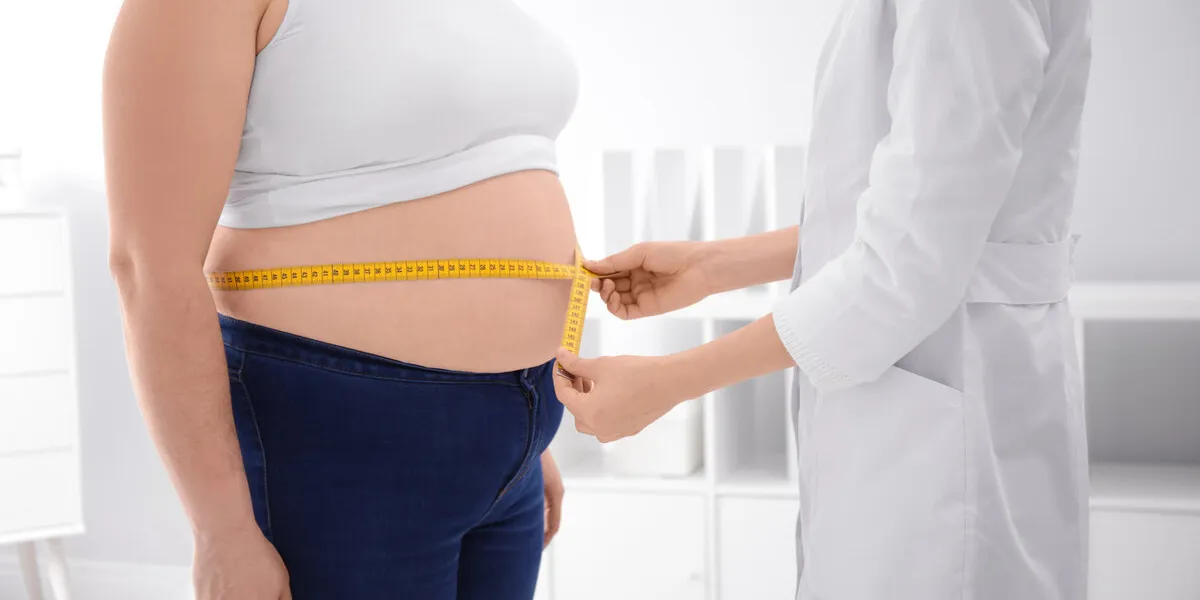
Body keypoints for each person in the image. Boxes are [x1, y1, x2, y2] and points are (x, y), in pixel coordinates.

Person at [555, 0, 1092, 598]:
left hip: (954, 419)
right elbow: (914, 218)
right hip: (930, 395)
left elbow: (909, 260)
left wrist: (668, 382)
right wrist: (711, 266)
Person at [103, 0, 581, 598]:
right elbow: (150, 267)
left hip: (517, 423)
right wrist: (219, 528)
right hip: (340, 433)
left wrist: (519, 438)